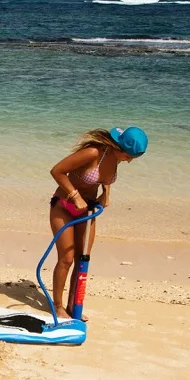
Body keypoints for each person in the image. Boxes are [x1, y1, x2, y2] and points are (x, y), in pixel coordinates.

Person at [48, 126, 147, 319]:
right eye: (129, 156)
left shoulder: (115, 158)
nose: (130, 161)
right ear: (119, 148)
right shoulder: (93, 152)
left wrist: (106, 194)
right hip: (64, 206)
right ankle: (58, 306)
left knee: (82, 259)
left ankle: (73, 307)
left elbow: (105, 177)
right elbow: (57, 171)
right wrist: (74, 195)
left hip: (88, 210)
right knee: (66, 258)